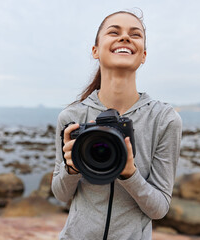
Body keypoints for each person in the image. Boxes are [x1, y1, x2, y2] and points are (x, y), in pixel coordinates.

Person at [51, 10, 182, 240]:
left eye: (135, 34)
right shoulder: (71, 117)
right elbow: (61, 193)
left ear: (143, 55)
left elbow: (159, 208)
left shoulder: (164, 119)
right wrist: (71, 169)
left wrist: (129, 173)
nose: (125, 38)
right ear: (95, 51)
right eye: (114, 32)